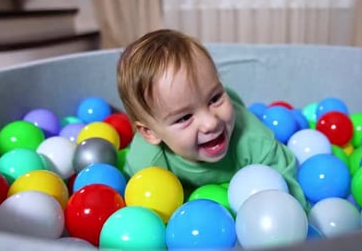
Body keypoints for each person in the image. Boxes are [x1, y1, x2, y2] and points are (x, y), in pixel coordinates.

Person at [116, 29, 307, 210]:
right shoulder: (147, 162)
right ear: (150, 133)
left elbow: (286, 177)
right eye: (185, 117)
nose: (211, 123)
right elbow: (134, 202)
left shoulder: (252, 138)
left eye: (215, 98)